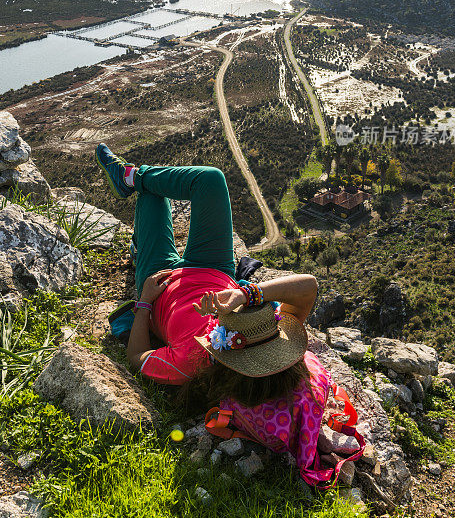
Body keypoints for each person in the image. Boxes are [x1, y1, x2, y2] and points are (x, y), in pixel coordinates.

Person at [95, 144, 318, 388]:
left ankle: (139, 223)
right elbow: (308, 286)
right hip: (214, 268)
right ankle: (131, 177)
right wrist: (242, 294)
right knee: (210, 179)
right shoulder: (271, 335)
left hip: (159, 282)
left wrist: (144, 302)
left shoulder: (191, 362)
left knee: (151, 194)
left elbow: (137, 358)